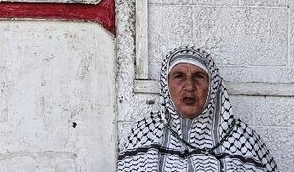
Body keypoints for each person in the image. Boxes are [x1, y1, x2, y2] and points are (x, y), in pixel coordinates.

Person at [118, 46, 278, 172]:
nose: (189, 86)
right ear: (166, 86)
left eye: (199, 77)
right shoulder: (144, 134)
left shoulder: (242, 138)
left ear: (212, 86)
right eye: (179, 76)